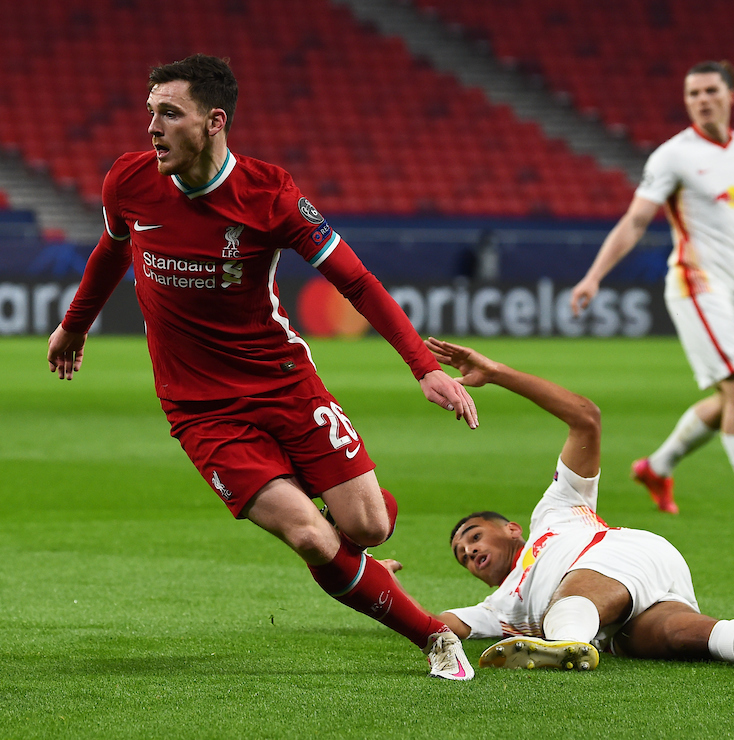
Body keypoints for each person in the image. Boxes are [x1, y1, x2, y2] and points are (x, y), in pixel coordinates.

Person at [46, 54, 480, 680]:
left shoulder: (270, 194)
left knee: (369, 525)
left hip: (283, 380)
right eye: (150, 114)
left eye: (170, 114)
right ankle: (434, 637)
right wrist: (74, 323)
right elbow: (112, 250)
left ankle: (350, 557)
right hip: (200, 407)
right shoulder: (128, 181)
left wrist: (422, 367)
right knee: (308, 535)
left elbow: (355, 282)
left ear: (214, 121)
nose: (153, 128)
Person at [392, 338, 734, 671]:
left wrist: (497, 374)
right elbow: (436, 626)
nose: (469, 552)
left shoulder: (555, 512)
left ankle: (565, 646)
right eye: (462, 556)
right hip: (635, 606)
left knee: (572, 597)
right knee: (688, 639)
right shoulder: (497, 607)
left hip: (616, 556)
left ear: (512, 528)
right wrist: (380, 587)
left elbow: (585, 419)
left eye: (473, 536)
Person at [569, 61, 734, 524]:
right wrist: (594, 275)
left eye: (710, 91)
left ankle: (657, 467)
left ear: (732, 95)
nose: (702, 100)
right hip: (695, 283)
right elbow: (635, 221)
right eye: (693, 94)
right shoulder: (674, 155)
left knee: (733, 397)